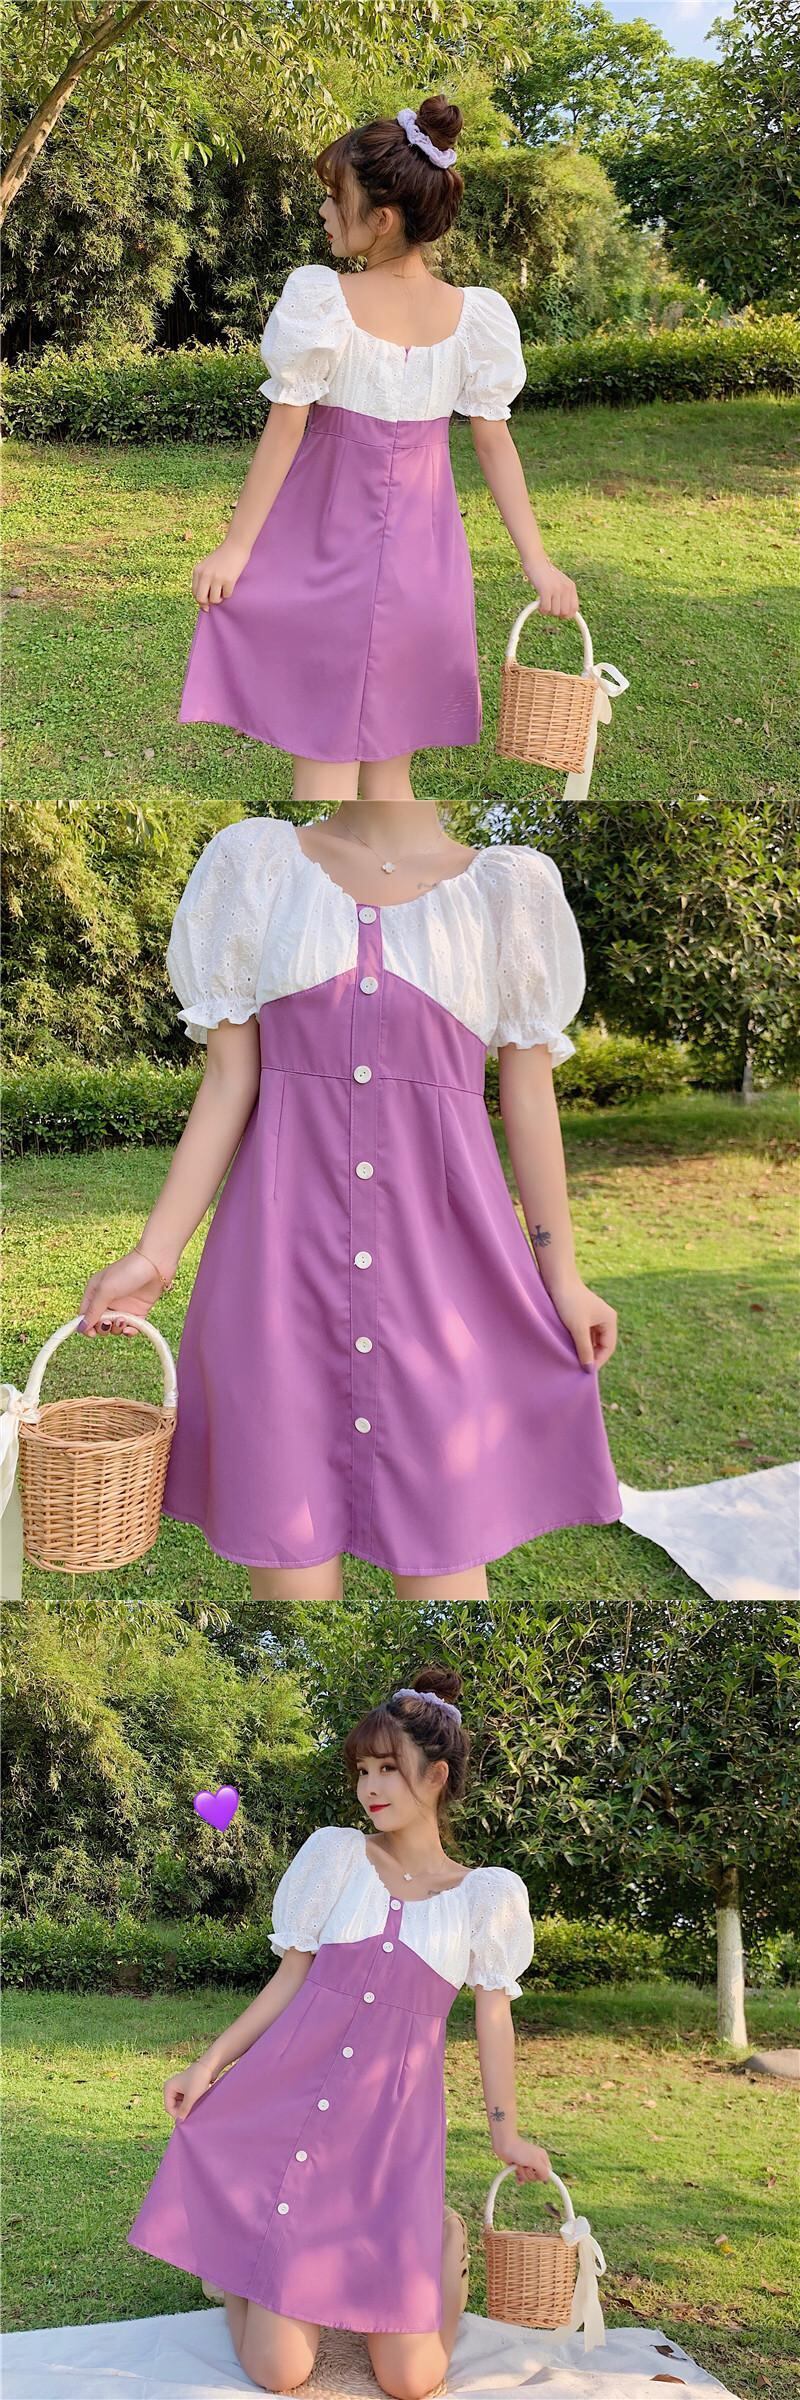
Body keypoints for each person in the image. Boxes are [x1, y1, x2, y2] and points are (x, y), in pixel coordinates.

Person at [77, 801, 621, 1604]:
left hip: (447, 1283)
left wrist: (562, 1276)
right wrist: (155, 1257)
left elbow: (530, 1097)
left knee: (446, 1580)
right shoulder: (258, 867)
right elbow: (228, 1079)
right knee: (290, 1579)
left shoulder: (509, 891)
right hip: (277, 1277)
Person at [126, 1669, 553, 2399]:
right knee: (279, 2371)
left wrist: (505, 2134)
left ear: (437, 1775)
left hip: (390, 2141)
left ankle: (440, 2238)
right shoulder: (337, 1858)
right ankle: (249, 2263)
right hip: (291, 2112)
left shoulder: (487, 1898)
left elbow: (493, 2021)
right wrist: (208, 2064)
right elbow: (289, 1978)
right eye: (362, 1770)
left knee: (412, 2381)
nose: (370, 1787)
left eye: (389, 1768)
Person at [177, 94, 580, 803]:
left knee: (323, 757)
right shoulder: (473, 318)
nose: (324, 211)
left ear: (383, 218)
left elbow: (286, 428)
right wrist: (536, 561)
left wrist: (236, 549)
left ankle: (333, 873)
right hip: (426, 567)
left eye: (336, 198)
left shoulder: (324, 301)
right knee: (391, 769)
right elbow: (495, 445)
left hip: (324, 548)